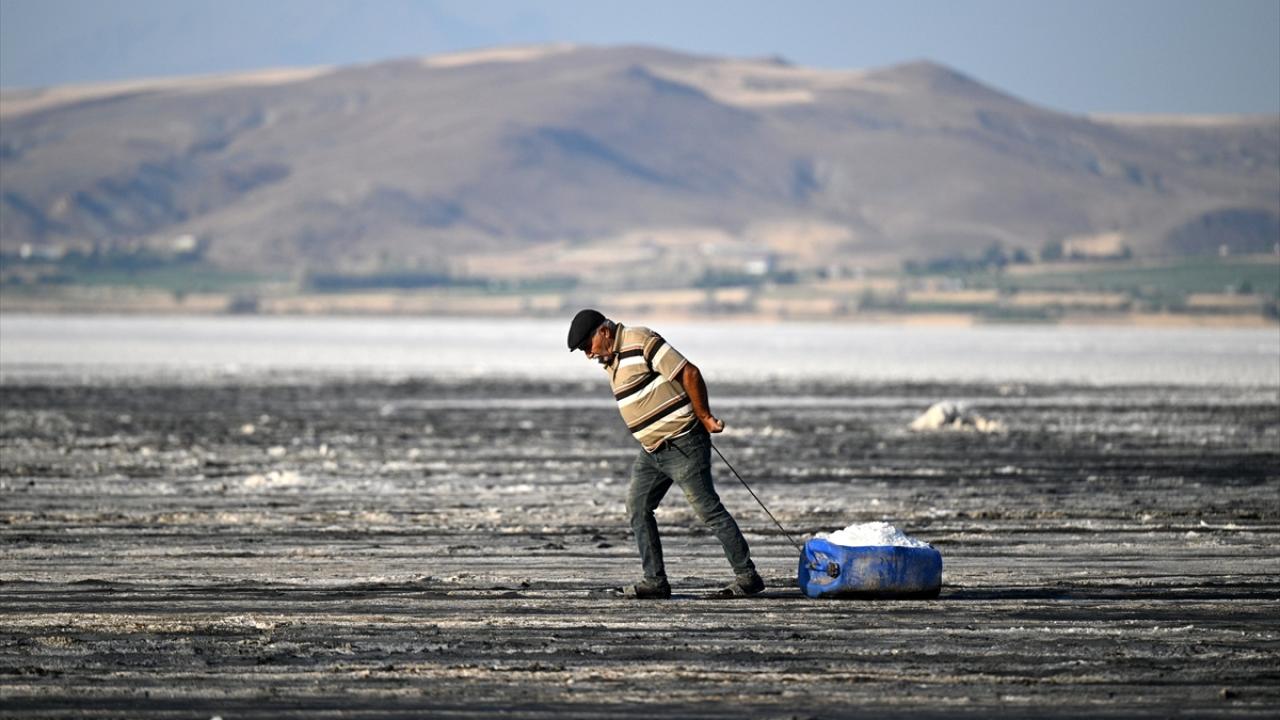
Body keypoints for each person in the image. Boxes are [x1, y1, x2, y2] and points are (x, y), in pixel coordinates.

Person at [567, 308, 765, 599]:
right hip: (652, 452)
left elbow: (689, 372)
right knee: (637, 507)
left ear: (604, 332)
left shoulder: (640, 340)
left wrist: (705, 416)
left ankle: (748, 577)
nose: (588, 354)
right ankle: (655, 582)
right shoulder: (612, 358)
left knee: (708, 510)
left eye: (587, 346)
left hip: (684, 443)